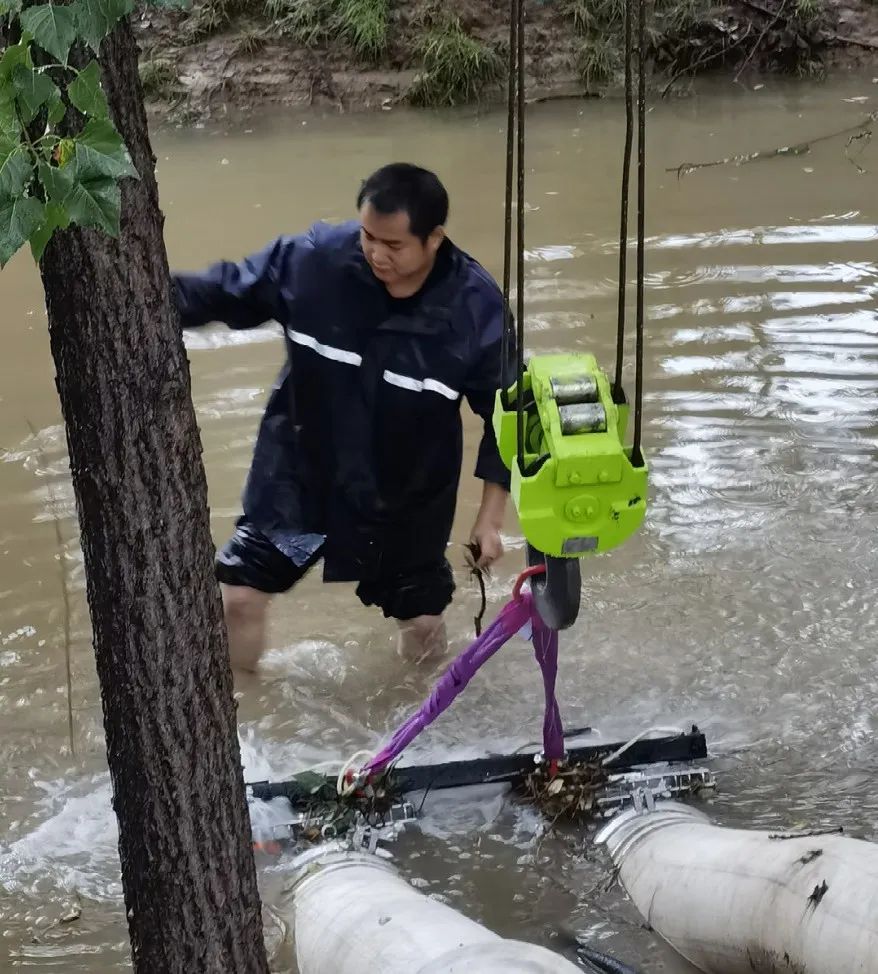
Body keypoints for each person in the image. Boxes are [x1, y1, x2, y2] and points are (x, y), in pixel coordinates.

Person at [172, 163, 511, 671]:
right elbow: (227, 290)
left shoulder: (475, 312)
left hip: (405, 495)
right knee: (238, 597)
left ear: (434, 238)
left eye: (394, 245)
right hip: (301, 474)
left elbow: (507, 414)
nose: (377, 254)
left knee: (421, 625)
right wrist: (143, 297)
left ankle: (416, 733)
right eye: (368, 236)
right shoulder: (314, 263)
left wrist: (490, 518)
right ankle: (232, 730)